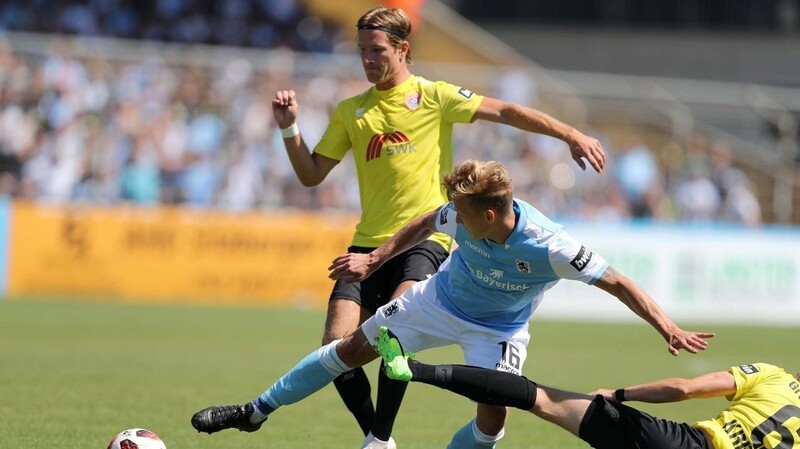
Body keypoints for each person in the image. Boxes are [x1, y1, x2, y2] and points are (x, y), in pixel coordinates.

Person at [191, 160, 714, 449]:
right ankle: (255, 411)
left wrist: (666, 326)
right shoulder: (462, 214)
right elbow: (424, 221)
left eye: (462, 213)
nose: (452, 219)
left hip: (500, 330)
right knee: (349, 350)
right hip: (437, 302)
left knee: (494, 421)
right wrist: (375, 260)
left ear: (491, 214)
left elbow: (618, 281)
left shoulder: (551, 245)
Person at [270, 6, 606, 449]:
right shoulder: (352, 111)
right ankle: (378, 438)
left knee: (393, 332)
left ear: (403, 49)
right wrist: (289, 128)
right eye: (362, 52)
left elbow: (504, 110)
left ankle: (379, 436)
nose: (368, 60)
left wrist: (568, 134)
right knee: (335, 346)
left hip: (425, 238)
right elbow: (312, 174)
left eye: (377, 51)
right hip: (368, 243)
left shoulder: (434, 96)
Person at [373, 328, 800, 449]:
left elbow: (686, 389)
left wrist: (619, 394)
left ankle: (414, 369)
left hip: (678, 443)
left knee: (535, 396)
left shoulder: (774, 376)